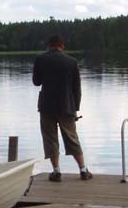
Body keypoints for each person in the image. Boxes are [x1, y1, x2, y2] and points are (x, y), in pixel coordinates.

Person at [32, 34, 92, 182]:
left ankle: (56, 172)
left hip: (46, 107)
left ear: (48, 45)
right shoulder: (72, 62)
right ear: (62, 46)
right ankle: (83, 170)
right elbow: (76, 88)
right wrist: (75, 109)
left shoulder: (40, 59)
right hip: (67, 106)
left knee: (50, 139)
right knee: (72, 138)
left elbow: (36, 82)